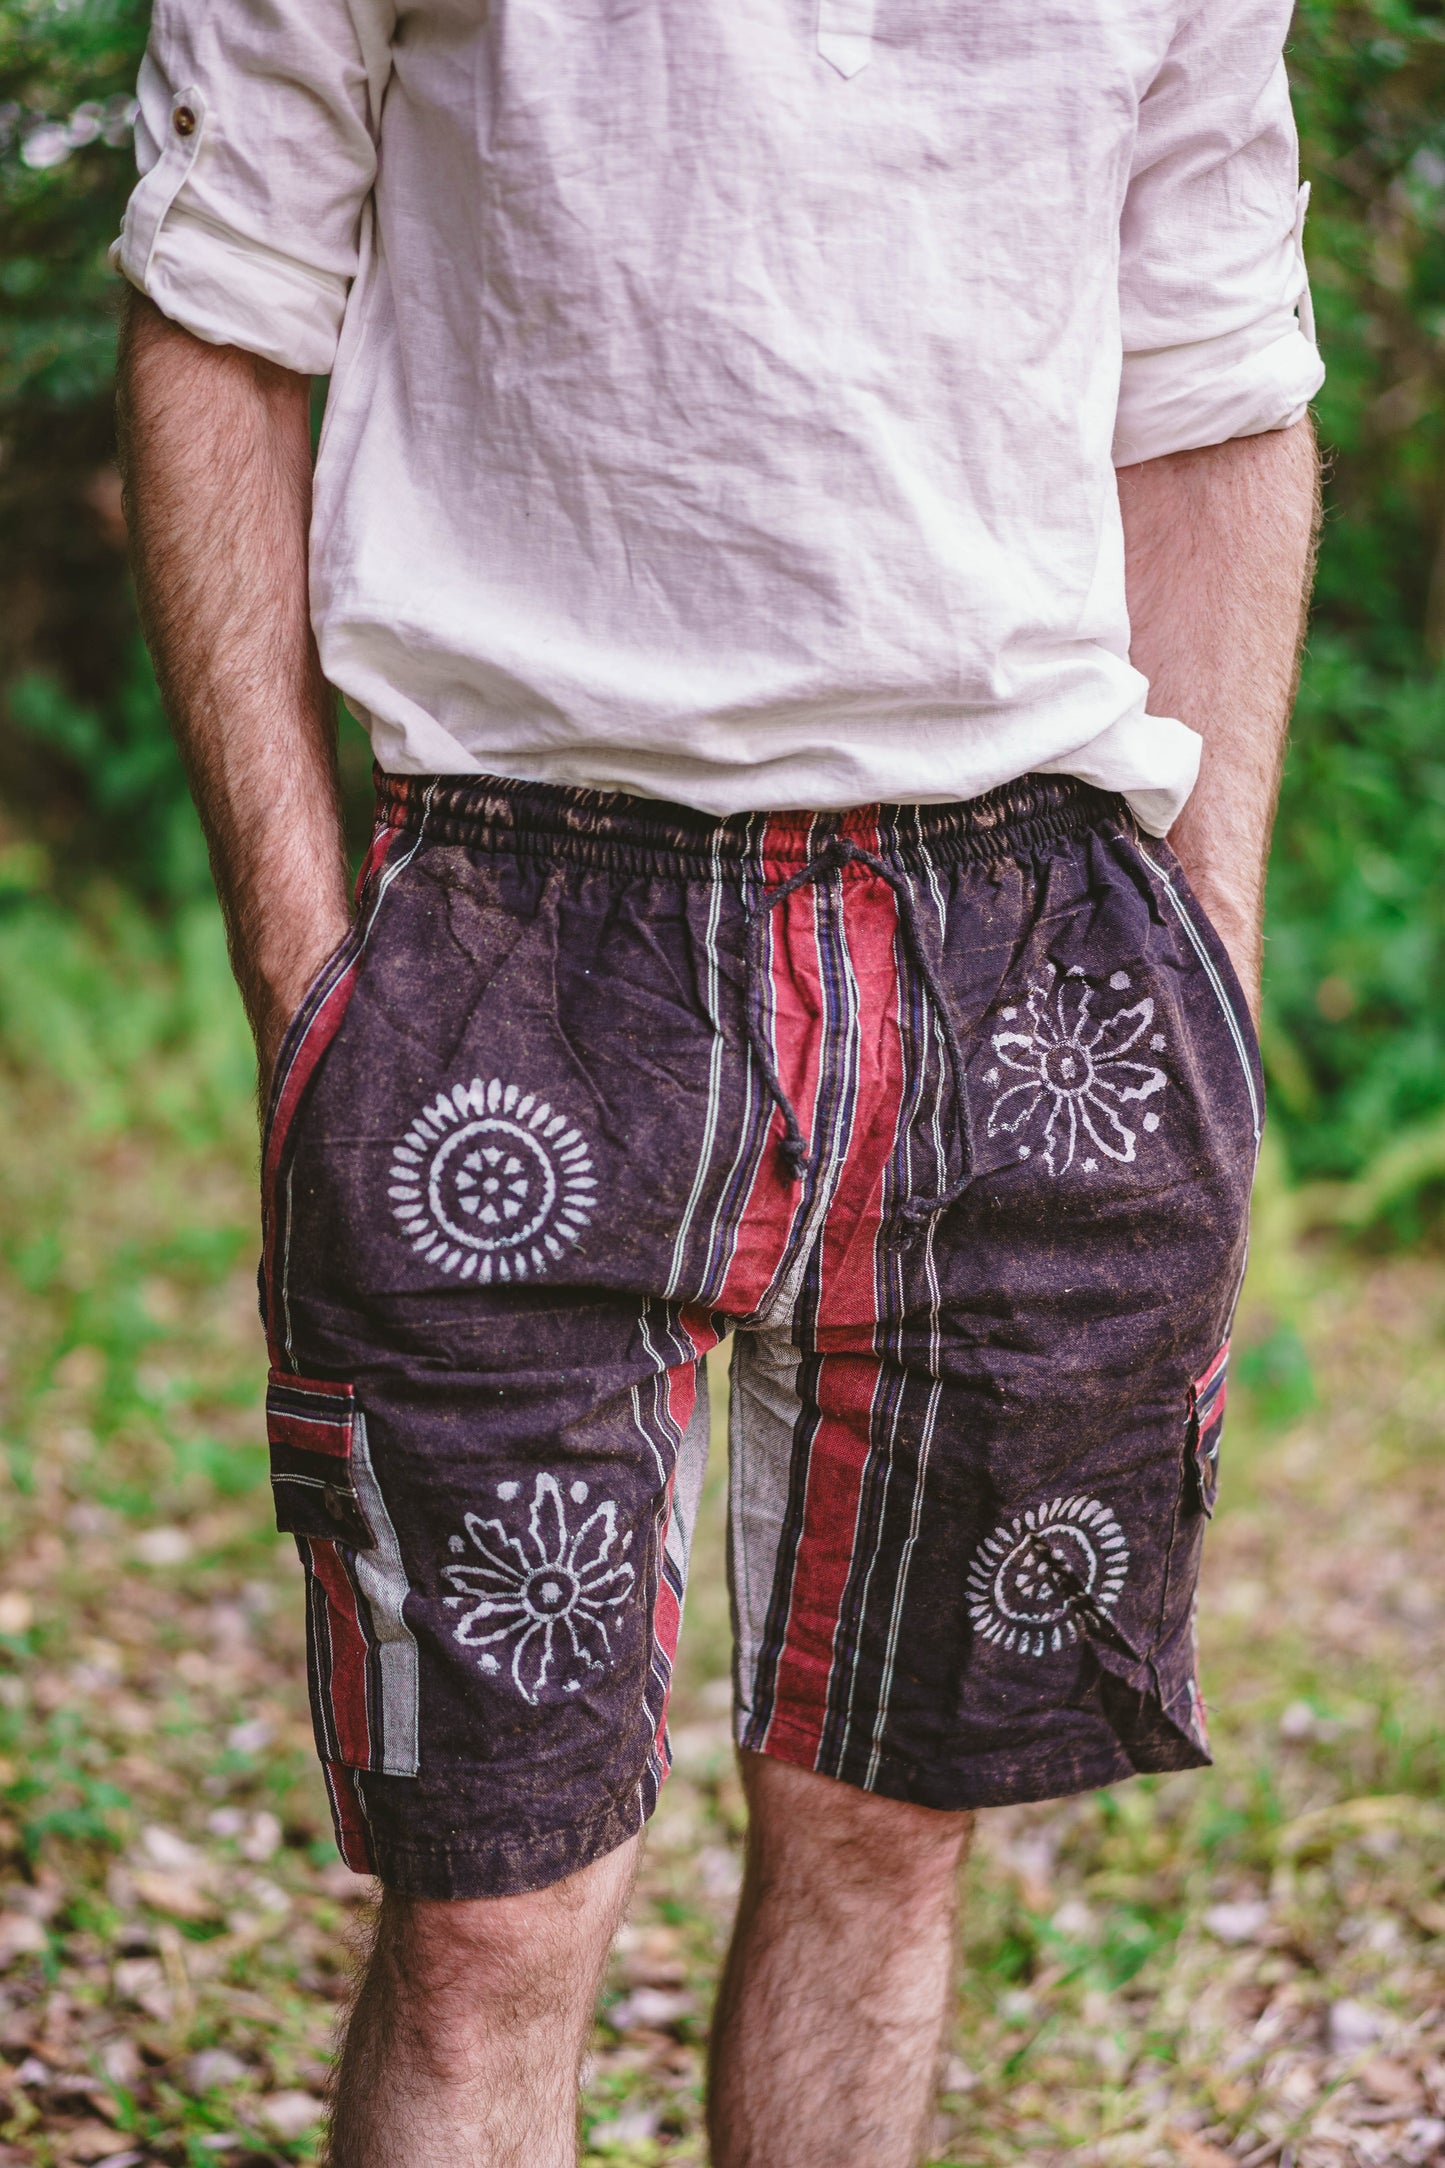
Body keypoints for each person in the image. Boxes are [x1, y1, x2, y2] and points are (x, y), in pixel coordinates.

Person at [113, 1, 1322, 2160]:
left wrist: (1199, 968)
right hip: (512, 928)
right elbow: (217, 303)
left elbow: (1220, 377)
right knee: (490, 1901)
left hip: (1029, 947)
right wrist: (307, 965)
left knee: (885, 1818)